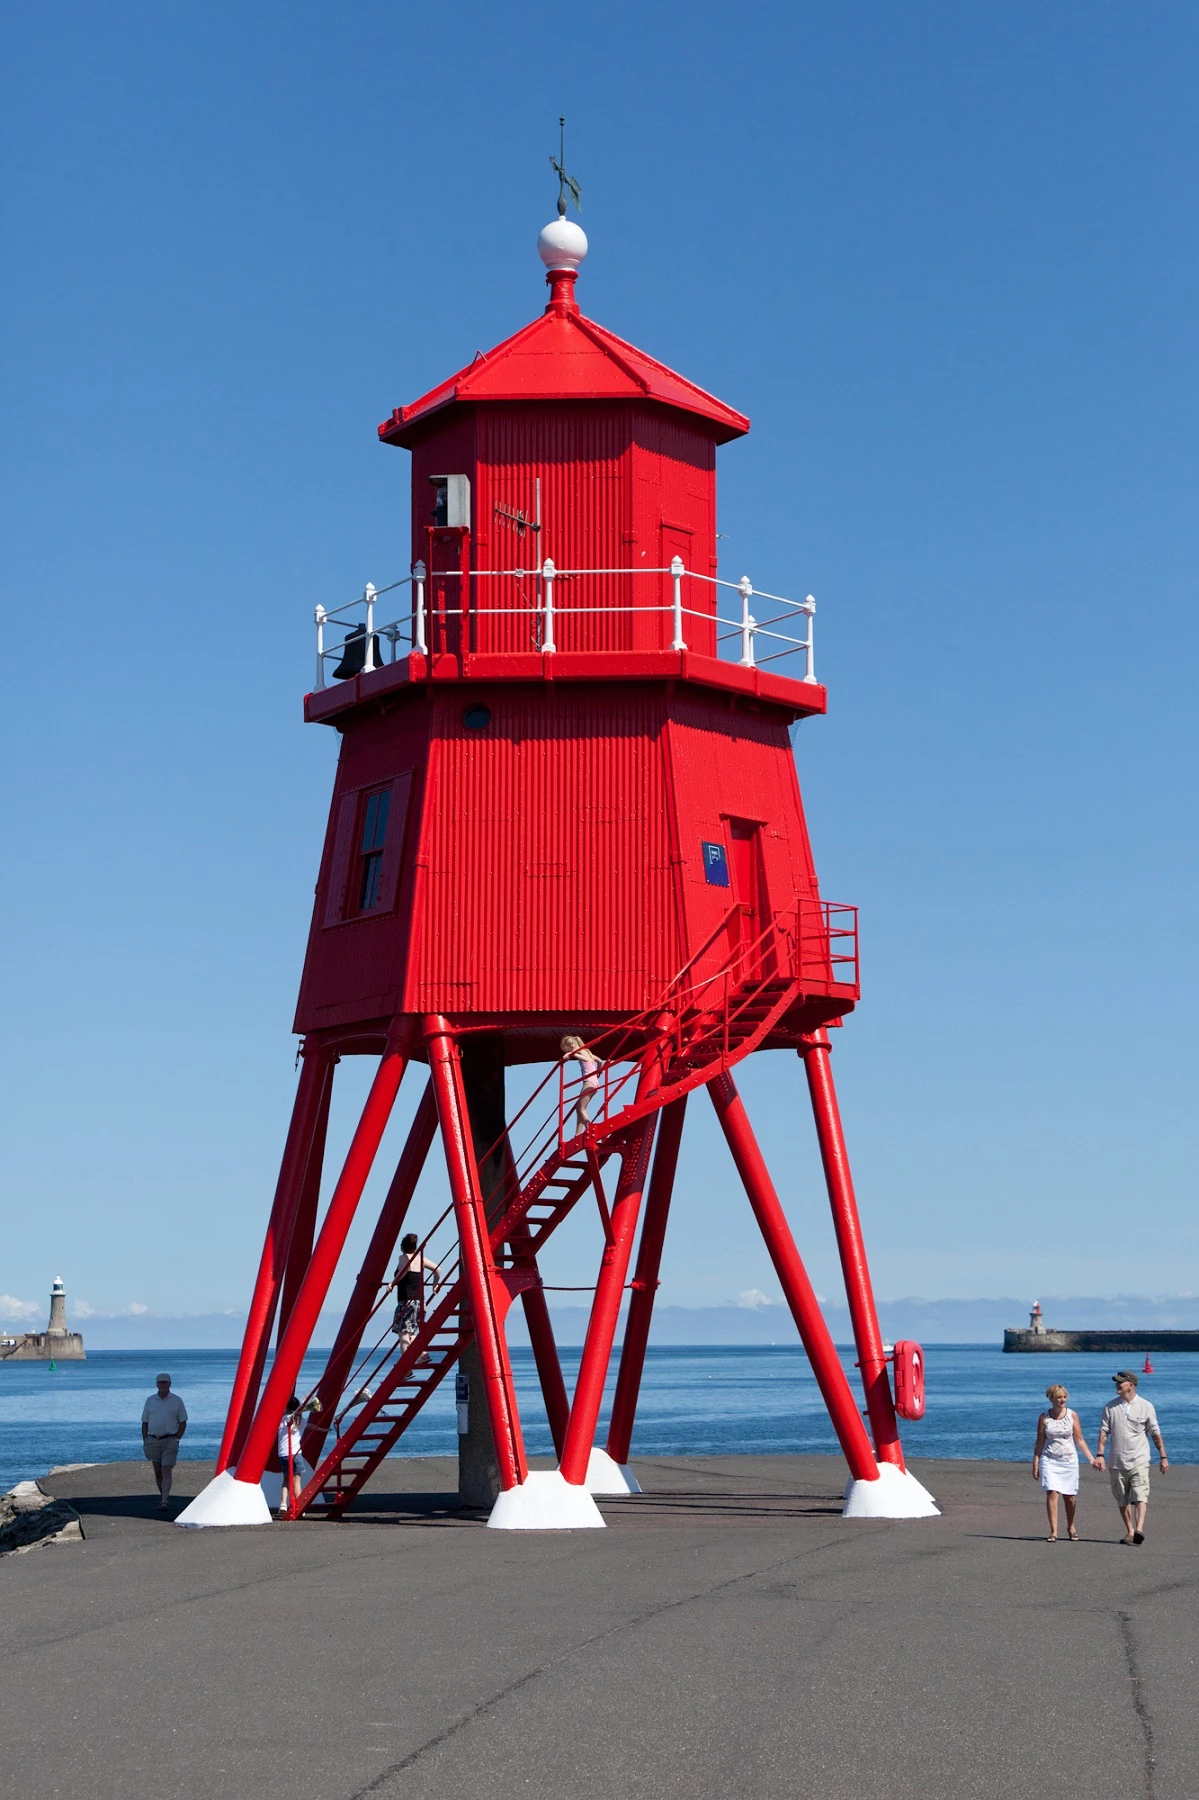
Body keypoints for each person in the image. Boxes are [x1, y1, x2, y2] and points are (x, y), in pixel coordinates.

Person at [1095, 1370, 1168, 1545]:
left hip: (1139, 1459)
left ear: (1131, 1385)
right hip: (1116, 1460)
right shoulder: (1110, 1407)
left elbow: (1155, 1433)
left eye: (1121, 1382)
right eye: (1116, 1382)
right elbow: (1104, 1431)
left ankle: (1139, 1529)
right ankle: (1129, 1530)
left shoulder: (1146, 1406)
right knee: (1122, 1498)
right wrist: (1100, 1455)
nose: (1117, 1385)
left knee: (1140, 1494)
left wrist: (1163, 1456)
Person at [1031, 1383, 1097, 1541]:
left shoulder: (1072, 1415)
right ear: (1051, 1398)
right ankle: (1053, 1531)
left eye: (1064, 1397)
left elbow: (1079, 1440)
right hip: (1049, 1459)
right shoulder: (1044, 1417)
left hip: (1069, 1460)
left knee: (1070, 1497)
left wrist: (1091, 1458)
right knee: (1052, 1493)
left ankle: (1071, 1526)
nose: (1062, 1400)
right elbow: (1039, 1442)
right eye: (1059, 1397)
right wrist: (1035, 1462)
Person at [141, 1372, 187, 1514]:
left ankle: (164, 1501)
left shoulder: (177, 1400)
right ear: (156, 1384)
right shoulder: (150, 1400)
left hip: (170, 1439)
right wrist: (145, 1440)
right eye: (160, 1382)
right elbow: (145, 1422)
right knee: (158, 1471)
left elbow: (183, 1421)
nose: (162, 1385)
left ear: (170, 1384)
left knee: (167, 1469)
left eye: (165, 1382)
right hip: (153, 1439)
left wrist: (177, 1438)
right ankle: (164, 1495)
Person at [392, 1233, 442, 1352]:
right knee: (411, 1333)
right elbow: (438, 1269)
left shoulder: (403, 1258)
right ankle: (422, 1354)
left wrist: (392, 1283)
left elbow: (402, 1273)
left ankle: (406, 1369)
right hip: (420, 1302)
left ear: (402, 1247)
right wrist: (435, 1285)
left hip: (406, 1301)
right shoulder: (421, 1259)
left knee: (403, 1335)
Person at [277, 1393, 321, 1516]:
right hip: (295, 1453)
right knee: (297, 1480)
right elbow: (312, 1427)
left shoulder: (282, 1419)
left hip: (282, 1453)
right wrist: (323, 1430)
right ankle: (299, 1505)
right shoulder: (300, 1420)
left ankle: (283, 1504)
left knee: (286, 1479)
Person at [560, 1034, 601, 1135]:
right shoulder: (588, 1052)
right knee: (580, 1109)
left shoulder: (582, 1052)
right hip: (595, 1083)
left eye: (567, 1050)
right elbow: (599, 1061)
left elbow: (586, 1060)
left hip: (589, 1082)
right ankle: (577, 1134)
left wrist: (571, 1054)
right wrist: (599, 1071)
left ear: (571, 1047)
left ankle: (590, 1128)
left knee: (581, 1109)